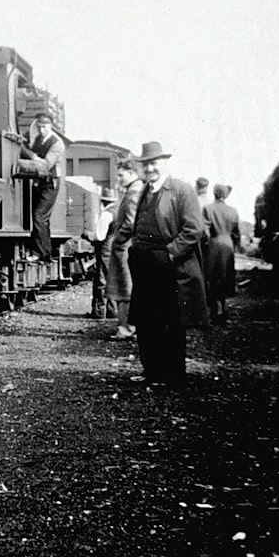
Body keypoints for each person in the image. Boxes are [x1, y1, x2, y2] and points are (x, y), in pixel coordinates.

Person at [112, 141, 209, 387]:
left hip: (170, 269)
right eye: (145, 164)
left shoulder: (180, 190)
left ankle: (173, 375)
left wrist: (169, 253)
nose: (150, 168)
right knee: (146, 322)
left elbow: (194, 229)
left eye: (154, 163)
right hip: (145, 267)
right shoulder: (144, 191)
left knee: (170, 323)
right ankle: (151, 371)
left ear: (165, 162)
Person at [106, 158, 144, 339]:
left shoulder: (134, 192)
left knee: (125, 287)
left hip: (125, 248)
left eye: (121, 175)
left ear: (132, 173)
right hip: (127, 247)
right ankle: (127, 326)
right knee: (125, 287)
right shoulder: (134, 190)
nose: (119, 178)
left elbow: (130, 223)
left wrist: (118, 240)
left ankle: (127, 328)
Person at [21, 112, 65, 262]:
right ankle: (45, 252)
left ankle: (41, 253)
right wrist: (33, 157)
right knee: (39, 218)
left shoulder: (56, 143)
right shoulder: (38, 139)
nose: (41, 130)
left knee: (39, 216)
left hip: (50, 183)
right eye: (39, 127)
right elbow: (25, 149)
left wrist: (30, 157)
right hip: (40, 182)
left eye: (44, 127)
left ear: (50, 126)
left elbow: (44, 166)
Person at [202, 183, 241, 323]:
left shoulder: (208, 209)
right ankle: (224, 310)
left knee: (212, 277)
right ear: (226, 195)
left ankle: (214, 311)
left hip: (214, 244)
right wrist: (236, 246)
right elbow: (236, 233)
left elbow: (204, 231)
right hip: (228, 244)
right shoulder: (233, 211)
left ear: (214, 193)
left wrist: (204, 245)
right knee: (225, 276)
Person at [84, 186, 118, 318]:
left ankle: (99, 312)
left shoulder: (106, 214)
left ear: (102, 201)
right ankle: (112, 311)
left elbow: (99, 236)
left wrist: (86, 234)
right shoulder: (118, 212)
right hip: (115, 250)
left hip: (105, 251)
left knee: (101, 280)